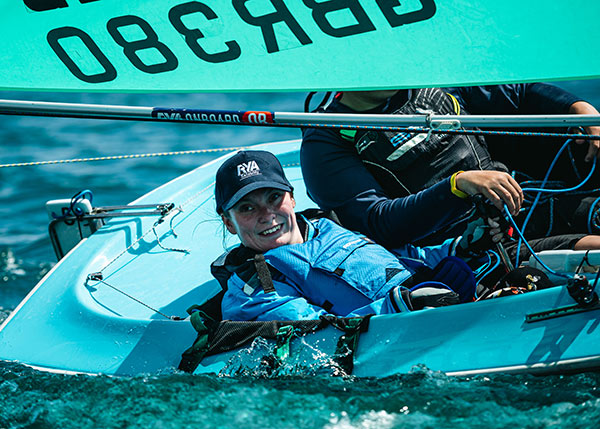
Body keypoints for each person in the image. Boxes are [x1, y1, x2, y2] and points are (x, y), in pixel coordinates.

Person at [210, 150, 504, 322]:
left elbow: (406, 260)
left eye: (274, 197)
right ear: (230, 223)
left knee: (532, 275)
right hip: (407, 336)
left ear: (292, 198)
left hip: (444, 307)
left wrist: (463, 247)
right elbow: (316, 335)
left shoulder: (326, 225)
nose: (266, 214)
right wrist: (402, 306)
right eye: (247, 208)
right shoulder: (254, 288)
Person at [301, 84, 600, 250]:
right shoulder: (325, 140)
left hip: (532, 202)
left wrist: (580, 109)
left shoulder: (434, 80)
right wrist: (457, 185)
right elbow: (378, 223)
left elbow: (519, 94)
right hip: (475, 248)